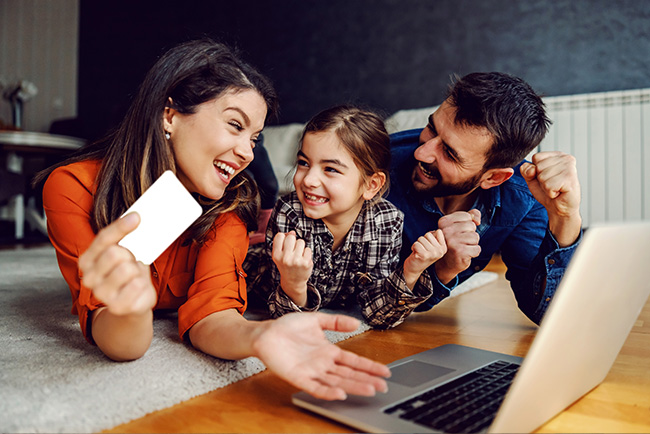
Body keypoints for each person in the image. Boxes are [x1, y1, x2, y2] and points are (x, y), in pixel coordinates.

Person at [35, 39, 390, 401]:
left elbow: (213, 314)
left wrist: (258, 336)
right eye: (235, 125)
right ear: (169, 115)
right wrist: (131, 310)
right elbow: (121, 341)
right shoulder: (73, 187)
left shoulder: (230, 206)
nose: (248, 153)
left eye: (255, 139)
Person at [387, 72, 583, 325]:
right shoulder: (374, 169)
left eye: (449, 152)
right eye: (431, 128)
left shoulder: (523, 195)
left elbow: (548, 313)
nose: (422, 152)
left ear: (493, 178)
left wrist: (565, 216)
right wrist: (443, 270)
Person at [246, 105, 447, 328]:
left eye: (330, 169)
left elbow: (378, 315)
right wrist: (294, 282)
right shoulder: (290, 212)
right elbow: (286, 318)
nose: (309, 180)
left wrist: (412, 270)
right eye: (304, 163)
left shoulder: (387, 221)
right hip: (255, 282)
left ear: (371, 185)